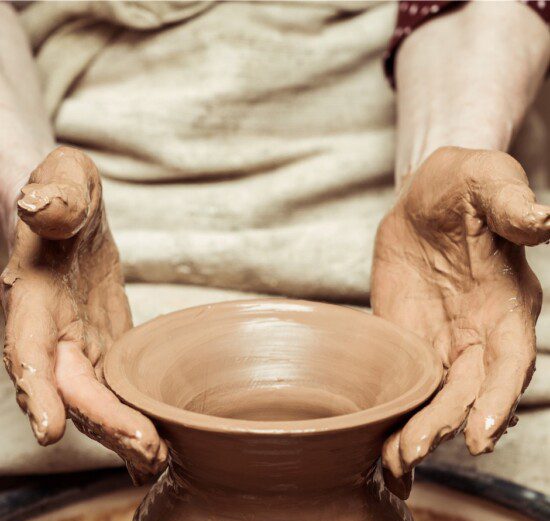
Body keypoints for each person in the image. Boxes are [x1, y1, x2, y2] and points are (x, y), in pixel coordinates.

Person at [0, 0, 549, 492]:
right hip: (94, 262)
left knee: (495, 414)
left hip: (429, 267)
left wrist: (446, 159)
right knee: (40, 409)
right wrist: (29, 198)